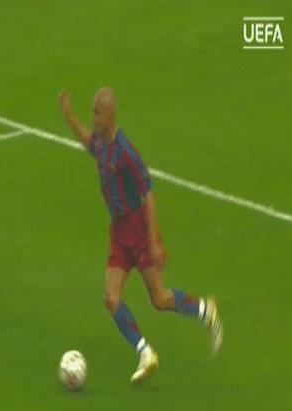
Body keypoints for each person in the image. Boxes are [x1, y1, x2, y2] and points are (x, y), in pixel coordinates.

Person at [58, 87, 223, 384]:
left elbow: (148, 194)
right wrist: (70, 117)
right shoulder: (102, 143)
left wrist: (154, 240)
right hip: (119, 231)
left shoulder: (125, 152)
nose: (93, 117)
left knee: (159, 299)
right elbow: (89, 143)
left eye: (97, 112)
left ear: (110, 115)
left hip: (137, 230)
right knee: (111, 298)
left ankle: (204, 309)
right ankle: (146, 353)